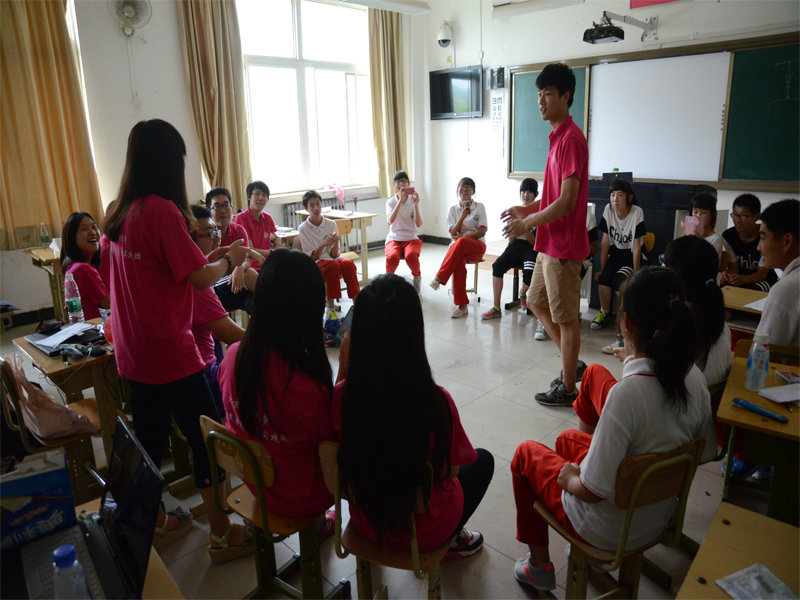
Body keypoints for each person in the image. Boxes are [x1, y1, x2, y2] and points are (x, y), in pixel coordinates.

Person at [510, 267, 717, 591]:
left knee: (525, 454)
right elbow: (706, 452)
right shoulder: (695, 378)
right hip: (657, 517)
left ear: (627, 323)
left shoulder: (627, 395)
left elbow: (592, 491)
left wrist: (569, 478)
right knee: (566, 439)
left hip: (608, 529)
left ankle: (539, 567)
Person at [103, 119, 253, 562]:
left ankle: (145, 524)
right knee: (207, 437)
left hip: (134, 350)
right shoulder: (164, 211)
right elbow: (201, 278)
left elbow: (166, 268)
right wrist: (230, 259)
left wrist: (212, 259)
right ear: (169, 162)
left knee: (148, 442)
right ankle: (221, 532)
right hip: (170, 351)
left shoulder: (121, 212)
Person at [334, 274, 494, 560]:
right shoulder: (436, 402)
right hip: (424, 534)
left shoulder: (341, 396)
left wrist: (345, 368)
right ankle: (453, 539)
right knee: (482, 460)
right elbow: (452, 472)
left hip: (367, 524)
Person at [219, 248, 338, 526]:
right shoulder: (306, 388)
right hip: (303, 496)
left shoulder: (233, 355)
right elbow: (330, 449)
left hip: (255, 483)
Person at [502, 63, 589, 406]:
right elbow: (554, 197)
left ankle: (568, 389)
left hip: (563, 246)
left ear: (566, 96)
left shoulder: (571, 139)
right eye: (539, 94)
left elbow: (567, 203)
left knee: (566, 320)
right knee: (535, 301)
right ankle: (572, 365)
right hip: (549, 243)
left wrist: (527, 223)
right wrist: (526, 210)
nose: (540, 101)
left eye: (548, 94)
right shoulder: (556, 138)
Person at [189, 204, 246, 415]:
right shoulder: (199, 286)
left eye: (216, 232)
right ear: (189, 240)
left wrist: (211, 259)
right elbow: (233, 335)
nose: (217, 239)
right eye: (210, 233)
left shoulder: (187, 271)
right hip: (203, 374)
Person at [591, 179, 646, 331]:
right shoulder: (608, 209)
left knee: (619, 281)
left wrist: (636, 275)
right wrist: (602, 269)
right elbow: (605, 242)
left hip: (632, 255)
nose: (615, 199)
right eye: (612, 195)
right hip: (616, 253)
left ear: (629, 197)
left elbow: (636, 246)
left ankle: (623, 318)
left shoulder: (637, 212)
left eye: (620, 195)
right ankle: (604, 312)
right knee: (604, 278)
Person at [429, 177, 488, 319]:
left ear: (473, 191)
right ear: (457, 190)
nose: (465, 190)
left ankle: (439, 277)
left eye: (468, 187)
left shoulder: (479, 207)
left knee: (460, 242)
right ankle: (462, 305)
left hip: (476, 246)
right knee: (458, 264)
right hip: (458, 248)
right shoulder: (452, 209)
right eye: (462, 187)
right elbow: (452, 233)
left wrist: (464, 238)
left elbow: (482, 231)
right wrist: (462, 216)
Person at [482, 178, 539, 323]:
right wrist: (512, 234)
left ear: (536, 194)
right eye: (523, 191)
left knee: (529, 273)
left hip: (531, 249)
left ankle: (522, 293)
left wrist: (524, 228)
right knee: (497, 266)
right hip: (515, 247)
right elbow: (511, 241)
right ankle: (496, 308)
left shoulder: (539, 215)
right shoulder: (515, 212)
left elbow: (535, 243)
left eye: (529, 192)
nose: (525, 195)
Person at [297, 190, 360, 316]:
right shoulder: (303, 228)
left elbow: (335, 255)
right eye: (312, 205)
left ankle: (357, 303)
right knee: (333, 266)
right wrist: (323, 244)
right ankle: (330, 307)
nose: (316, 208)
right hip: (316, 263)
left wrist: (336, 242)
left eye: (318, 204)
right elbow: (312, 257)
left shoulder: (331, 224)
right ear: (306, 208)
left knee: (347, 264)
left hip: (332, 260)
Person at [754, 198, 800, 346]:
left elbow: (761, 352)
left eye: (763, 238)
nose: (758, 247)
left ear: (787, 241)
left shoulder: (785, 290)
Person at [205, 187, 259, 313]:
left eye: (226, 205)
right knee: (250, 275)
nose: (222, 210)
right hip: (214, 287)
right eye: (217, 207)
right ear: (209, 211)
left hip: (235, 285)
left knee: (256, 304)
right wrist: (237, 268)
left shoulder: (238, 230)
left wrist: (239, 268)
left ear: (232, 208)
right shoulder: (205, 235)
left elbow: (246, 260)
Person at [720, 194, 777, 292]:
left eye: (744, 216)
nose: (738, 220)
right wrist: (728, 276)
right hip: (740, 279)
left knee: (752, 291)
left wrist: (743, 279)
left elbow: (761, 274)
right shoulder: (728, 236)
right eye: (735, 215)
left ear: (756, 217)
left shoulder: (765, 236)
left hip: (764, 280)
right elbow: (733, 268)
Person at [60, 212, 109, 321]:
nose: (92, 232)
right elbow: (108, 303)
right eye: (84, 229)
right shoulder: (83, 269)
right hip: (93, 328)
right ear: (72, 238)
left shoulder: (73, 266)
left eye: (94, 227)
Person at [384, 170, 423, 293]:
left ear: (408, 184)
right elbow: (390, 220)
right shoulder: (390, 202)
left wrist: (415, 205)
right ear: (394, 186)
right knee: (392, 257)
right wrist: (400, 201)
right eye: (398, 182)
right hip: (394, 238)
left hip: (411, 238)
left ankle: (417, 280)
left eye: (404, 181)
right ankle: (388, 284)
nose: (401, 184)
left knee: (411, 256)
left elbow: (419, 224)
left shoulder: (413, 201)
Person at [234, 180, 277, 268]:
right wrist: (272, 252)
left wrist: (276, 248)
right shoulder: (241, 218)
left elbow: (276, 239)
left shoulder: (268, 218)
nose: (261, 198)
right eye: (257, 194)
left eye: (264, 195)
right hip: (251, 266)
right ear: (249, 197)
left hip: (268, 264)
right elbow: (249, 249)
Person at [688, 192, 723, 265]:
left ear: (713, 214)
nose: (698, 216)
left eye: (704, 212)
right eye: (695, 212)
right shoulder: (688, 232)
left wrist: (699, 241)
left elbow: (709, 265)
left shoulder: (716, 239)